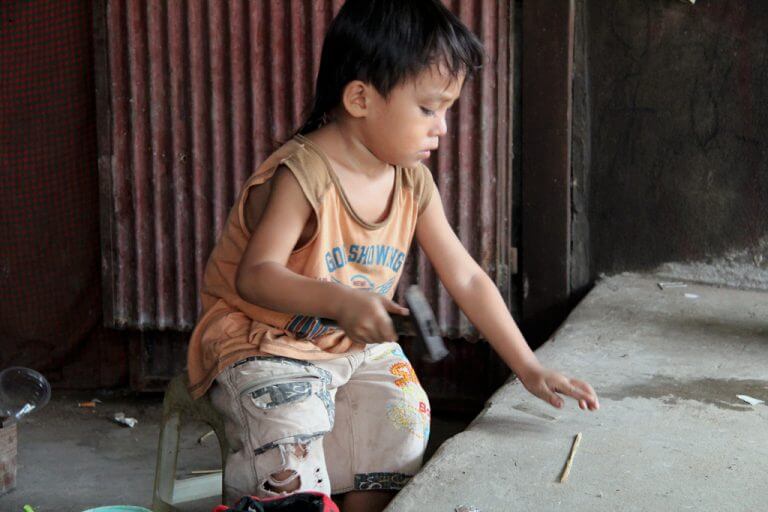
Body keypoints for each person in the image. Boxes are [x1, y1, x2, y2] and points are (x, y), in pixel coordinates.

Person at [186, 1, 599, 511]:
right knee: (288, 440)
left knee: (403, 413)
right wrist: (340, 301)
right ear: (360, 98)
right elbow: (255, 276)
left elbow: (467, 277)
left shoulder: (411, 181)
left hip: (349, 346)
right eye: (428, 109)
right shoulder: (304, 175)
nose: (442, 128)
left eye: (446, 110)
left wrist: (529, 368)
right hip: (265, 344)